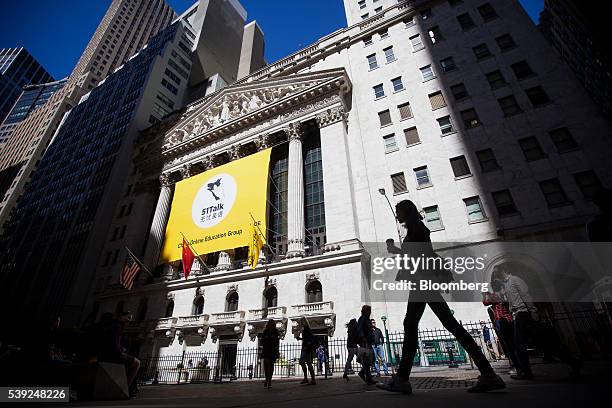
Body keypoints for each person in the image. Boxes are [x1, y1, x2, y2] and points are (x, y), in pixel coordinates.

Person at [377, 200, 505, 394]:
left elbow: (422, 256)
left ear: (406, 211)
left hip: (422, 284)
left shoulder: (418, 229)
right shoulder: (415, 230)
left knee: (417, 325)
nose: (396, 215)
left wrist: (402, 253)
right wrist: (397, 250)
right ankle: (488, 374)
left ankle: (402, 379)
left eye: (398, 211)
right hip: (422, 283)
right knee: (436, 325)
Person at [492, 265, 582, 380]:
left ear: (503, 271)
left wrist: (533, 311)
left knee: (519, 344)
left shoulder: (515, 280)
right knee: (545, 341)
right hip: (518, 315)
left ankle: (526, 372)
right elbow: (508, 301)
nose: (495, 276)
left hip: (523, 313)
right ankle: (574, 362)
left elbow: (525, 295)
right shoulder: (505, 285)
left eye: (496, 273)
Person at [97, 312, 141, 397]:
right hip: (111, 355)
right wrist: (120, 352)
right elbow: (113, 343)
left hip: (104, 355)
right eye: (128, 317)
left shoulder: (112, 325)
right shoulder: (116, 326)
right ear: (121, 316)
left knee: (129, 363)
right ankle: (123, 390)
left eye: (130, 319)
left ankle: (127, 388)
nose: (129, 320)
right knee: (137, 363)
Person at [483, 289, 517, 373]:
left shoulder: (502, 301)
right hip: (501, 323)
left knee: (512, 343)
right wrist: (485, 294)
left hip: (506, 322)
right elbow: (485, 302)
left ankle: (517, 364)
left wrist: (488, 294)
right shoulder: (492, 307)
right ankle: (514, 363)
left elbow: (487, 301)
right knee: (507, 344)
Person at [357, 305, 376, 385]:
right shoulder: (362, 319)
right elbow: (360, 329)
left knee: (371, 359)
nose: (370, 312)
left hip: (369, 342)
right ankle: (368, 379)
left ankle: (362, 373)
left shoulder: (367, 319)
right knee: (367, 360)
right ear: (365, 311)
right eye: (369, 310)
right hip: (365, 343)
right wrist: (363, 337)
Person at [260, 319, 280, 389]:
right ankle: (266, 379)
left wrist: (277, 351)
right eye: (270, 323)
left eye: (272, 323)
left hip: (272, 350)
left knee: (271, 366)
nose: (271, 325)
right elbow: (262, 340)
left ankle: (269, 380)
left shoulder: (276, 332)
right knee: (266, 366)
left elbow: (277, 342)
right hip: (266, 350)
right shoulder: (265, 331)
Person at [297, 318, 317, 385]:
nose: (300, 324)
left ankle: (309, 378)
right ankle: (310, 378)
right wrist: (300, 338)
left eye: (301, 322)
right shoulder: (306, 329)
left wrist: (302, 340)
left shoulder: (306, 329)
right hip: (306, 348)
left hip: (306, 348)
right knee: (307, 363)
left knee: (303, 362)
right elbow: (306, 339)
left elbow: (307, 339)